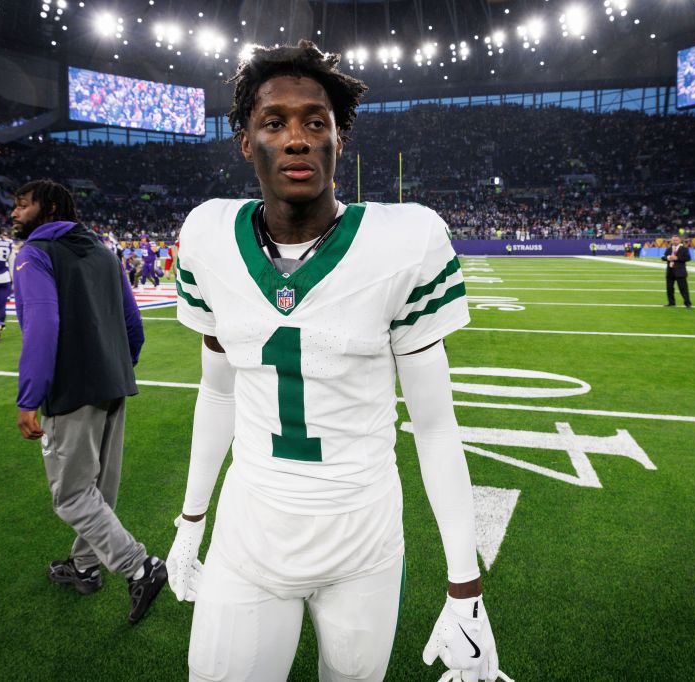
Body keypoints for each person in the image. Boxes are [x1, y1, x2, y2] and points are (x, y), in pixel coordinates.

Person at [165, 42, 509, 682]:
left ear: (338, 141)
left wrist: (465, 584)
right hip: (249, 531)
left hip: (364, 541)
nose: (296, 139)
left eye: (315, 122)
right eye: (274, 122)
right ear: (245, 142)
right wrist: (191, 519)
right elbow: (215, 395)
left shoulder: (404, 242)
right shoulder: (208, 237)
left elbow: (434, 427)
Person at [11, 179, 167, 625]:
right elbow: (133, 324)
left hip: (72, 389)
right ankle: (84, 566)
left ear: (51, 207)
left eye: (23, 205)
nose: (15, 213)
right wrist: (118, 365)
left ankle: (140, 567)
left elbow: (42, 326)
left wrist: (30, 398)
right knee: (99, 489)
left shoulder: (35, 255)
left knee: (73, 494)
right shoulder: (104, 252)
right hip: (113, 383)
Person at [662, 234, 692, 308]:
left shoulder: (684, 249)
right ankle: (671, 302)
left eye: (676, 240)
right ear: (671, 241)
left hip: (680, 271)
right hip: (670, 271)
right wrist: (668, 258)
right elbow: (663, 257)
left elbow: (688, 258)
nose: (675, 241)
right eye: (673, 240)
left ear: (680, 240)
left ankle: (687, 303)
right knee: (669, 288)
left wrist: (677, 258)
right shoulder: (669, 249)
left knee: (683, 288)